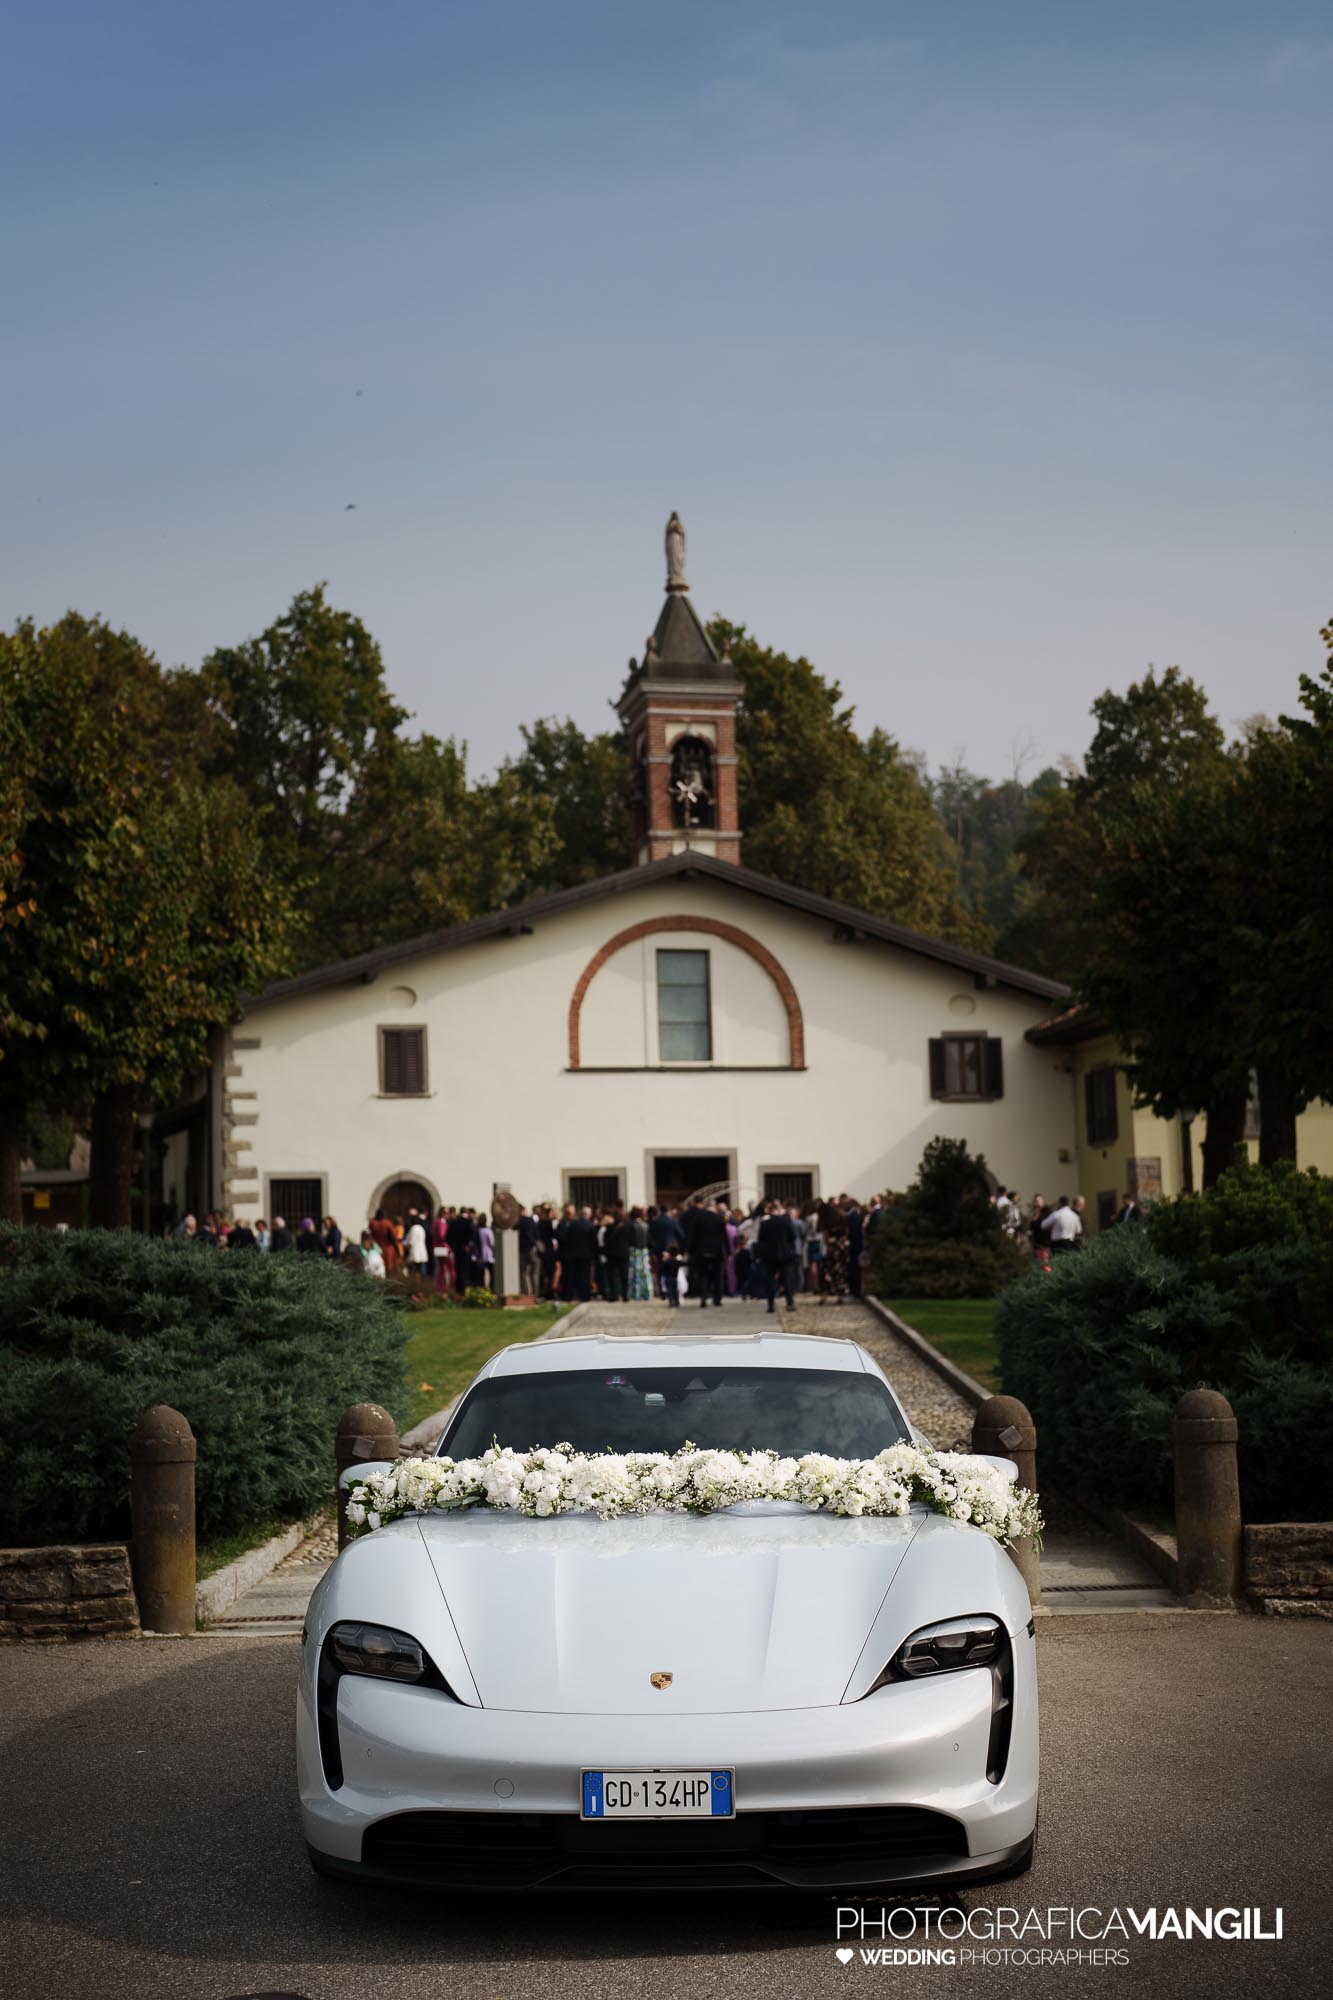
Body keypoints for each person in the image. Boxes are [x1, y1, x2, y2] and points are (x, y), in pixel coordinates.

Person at [756, 1200, 798, 1313]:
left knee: (770, 1280)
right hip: (785, 1254)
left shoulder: (765, 1223)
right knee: (787, 1280)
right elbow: (793, 1236)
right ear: (779, 1210)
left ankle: (770, 1305)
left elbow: (761, 1240)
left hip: (769, 1255)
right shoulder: (786, 1221)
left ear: (770, 1211)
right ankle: (789, 1303)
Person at [685, 1197, 726, 1309]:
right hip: (716, 1251)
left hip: (701, 1251)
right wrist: (727, 1252)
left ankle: (703, 1298)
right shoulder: (719, 1218)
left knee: (703, 1275)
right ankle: (717, 1299)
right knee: (717, 1275)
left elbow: (692, 1235)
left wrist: (689, 1250)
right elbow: (724, 1237)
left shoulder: (698, 1218)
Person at [562, 1206, 599, 1302]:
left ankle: (569, 1295)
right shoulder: (591, 1226)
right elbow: (594, 1242)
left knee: (572, 1276)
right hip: (586, 1255)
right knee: (585, 1276)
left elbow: (567, 1238)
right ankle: (585, 1296)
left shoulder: (573, 1224)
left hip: (573, 1254)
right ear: (589, 1215)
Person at [650, 1204, 685, 1299]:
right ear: (668, 1211)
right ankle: (673, 1291)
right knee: (673, 1271)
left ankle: (662, 1291)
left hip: (659, 1248)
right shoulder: (673, 1221)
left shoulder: (655, 1221)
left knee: (660, 1270)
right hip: (671, 1249)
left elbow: (651, 1235)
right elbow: (681, 1235)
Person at [818, 1200, 849, 1304]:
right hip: (841, 1247)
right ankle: (840, 1296)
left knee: (826, 1272)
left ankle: (824, 1295)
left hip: (831, 1248)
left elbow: (825, 1236)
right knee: (840, 1272)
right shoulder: (841, 1218)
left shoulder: (825, 1222)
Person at [603, 1208, 632, 1303]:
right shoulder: (627, 1227)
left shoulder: (610, 1227)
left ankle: (614, 1295)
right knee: (624, 1275)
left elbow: (605, 1239)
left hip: (612, 1253)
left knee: (612, 1275)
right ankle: (625, 1295)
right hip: (624, 1253)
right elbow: (631, 1239)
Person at [517, 1204, 542, 1298]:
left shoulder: (517, 1222)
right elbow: (537, 1234)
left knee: (523, 1273)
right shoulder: (530, 1220)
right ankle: (535, 1294)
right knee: (535, 1272)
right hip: (532, 1249)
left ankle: (526, 1293)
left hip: (521, 1250)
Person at [627, 1207, 652, 1299]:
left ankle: (635, 1293)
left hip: (634, 1251)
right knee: (645, 1272)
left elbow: (629, 1239)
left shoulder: (630, 1225)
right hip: (644, 1251)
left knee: (634, 1272)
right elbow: (649, 1239)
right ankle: (646, 1293)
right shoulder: (645, 1225)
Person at [431, 1207, 455, 1294]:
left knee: (441, 1269)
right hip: (444, 1247)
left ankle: (440, 1288)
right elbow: (442, 1236)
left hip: (438, 1247)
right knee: (450, 1269)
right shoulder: (441, 1222)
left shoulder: (436, 1222)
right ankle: (450, 1287)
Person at [368, 1208, 397, 1272]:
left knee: (376, 1268)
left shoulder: (372, 1223)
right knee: (388, 1267)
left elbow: (369, 1234)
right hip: (387, 1248)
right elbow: (394, 1236)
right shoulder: (388, 1223)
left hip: (375, 1247)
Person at [405, 1210, 429, 1274]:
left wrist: (405, 1244)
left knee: (415, 1270)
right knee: (421, 1270)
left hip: (415, 1251)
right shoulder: (421, 1228)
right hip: (422, 1250)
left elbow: (411, 1241)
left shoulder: (413, 1228)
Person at [476, 1213, 495, 1289]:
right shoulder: (488, 1231)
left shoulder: (477, 1230)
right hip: (489, 1254)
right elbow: (492, 1242)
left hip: (480, 1255)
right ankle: (491, 1288)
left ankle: (482, 1288)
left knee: (481, 1274)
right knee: (492, 1273)